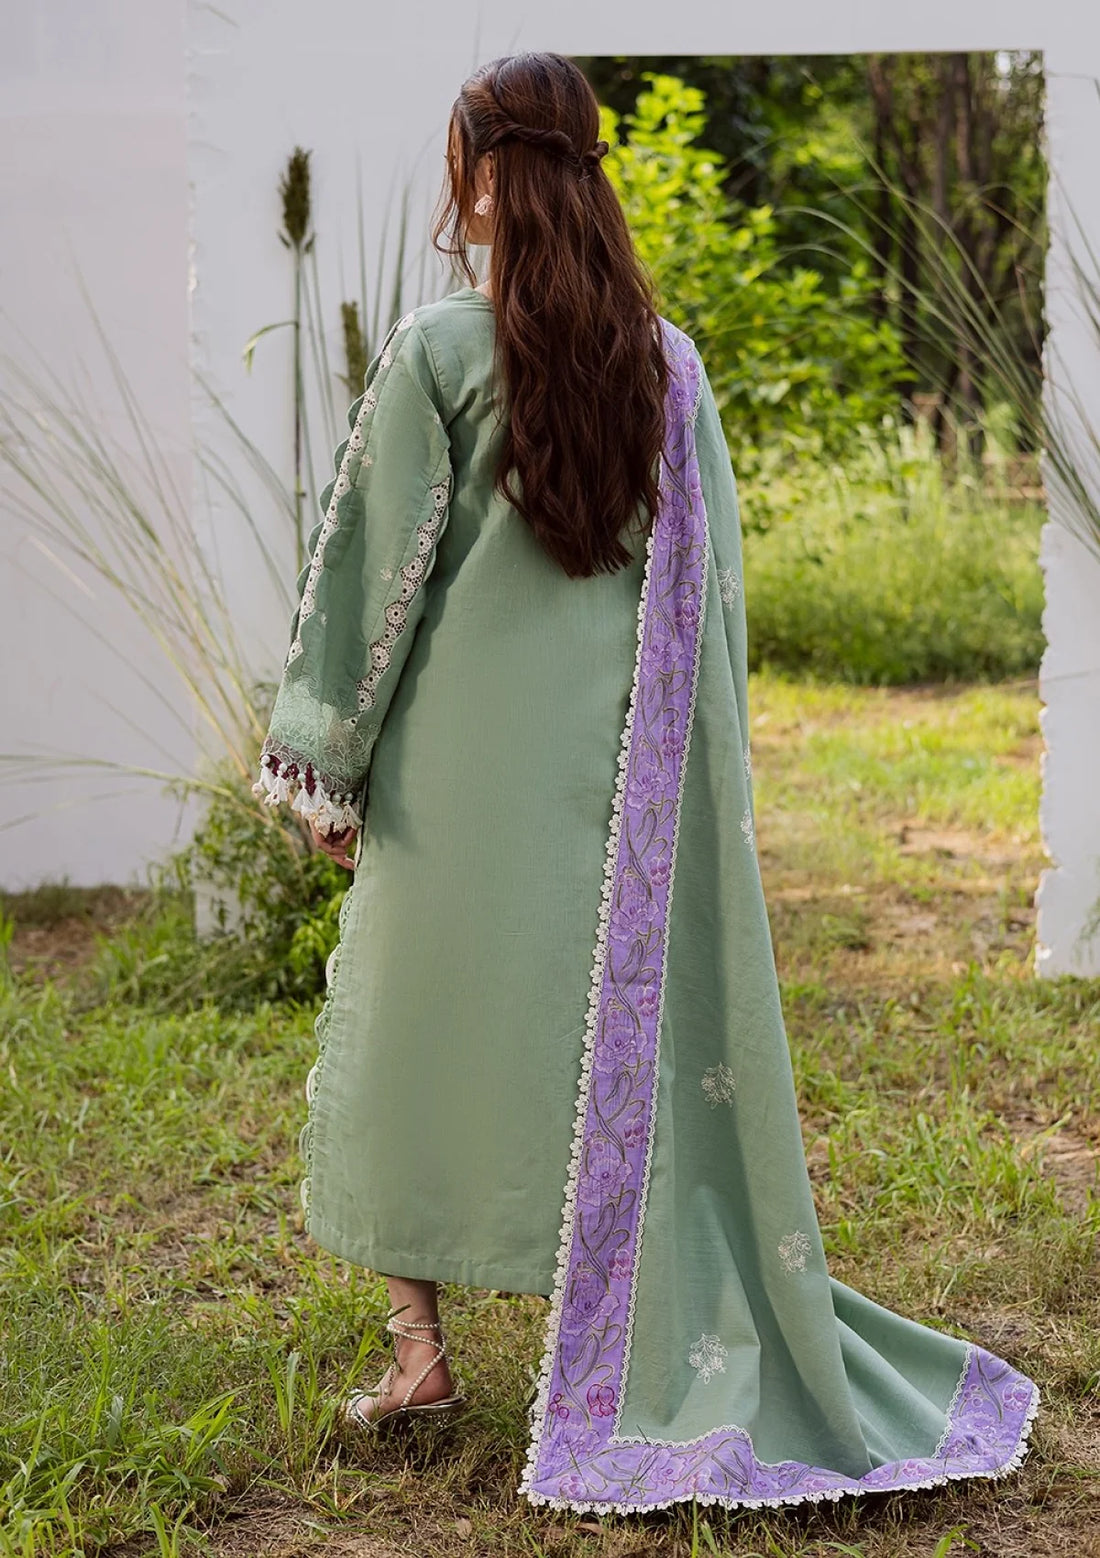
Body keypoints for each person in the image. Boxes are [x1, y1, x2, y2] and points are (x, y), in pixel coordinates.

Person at [253, 50, 1039, 1516]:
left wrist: (328, 767)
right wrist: (694, 786)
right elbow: (716, 595)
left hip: (453, 776)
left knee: (416, 1029)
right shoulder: (668, 366)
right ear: (589, 172)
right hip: (621, 785)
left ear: (479, 176)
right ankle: (615, 1327)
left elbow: (375, 579)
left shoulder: (438, 350)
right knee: (592, 1047)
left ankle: (419, 1352)